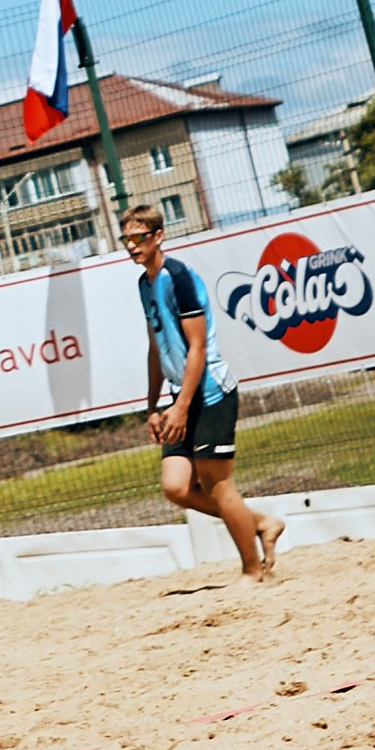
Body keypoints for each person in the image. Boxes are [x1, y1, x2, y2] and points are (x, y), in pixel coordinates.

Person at [122, 203, 282, 579]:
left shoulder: (177, 277)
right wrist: (153, 407)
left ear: (158, 236)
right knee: (176, 487)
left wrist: (181, 408)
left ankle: (253, 570)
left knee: (216, 483)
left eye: (138, 238)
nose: (131, 246)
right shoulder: (144, 283)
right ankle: (260, 522)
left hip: (210, 394)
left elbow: (198, 349)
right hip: (182, 395)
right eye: (126, 239)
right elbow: (155, 348)